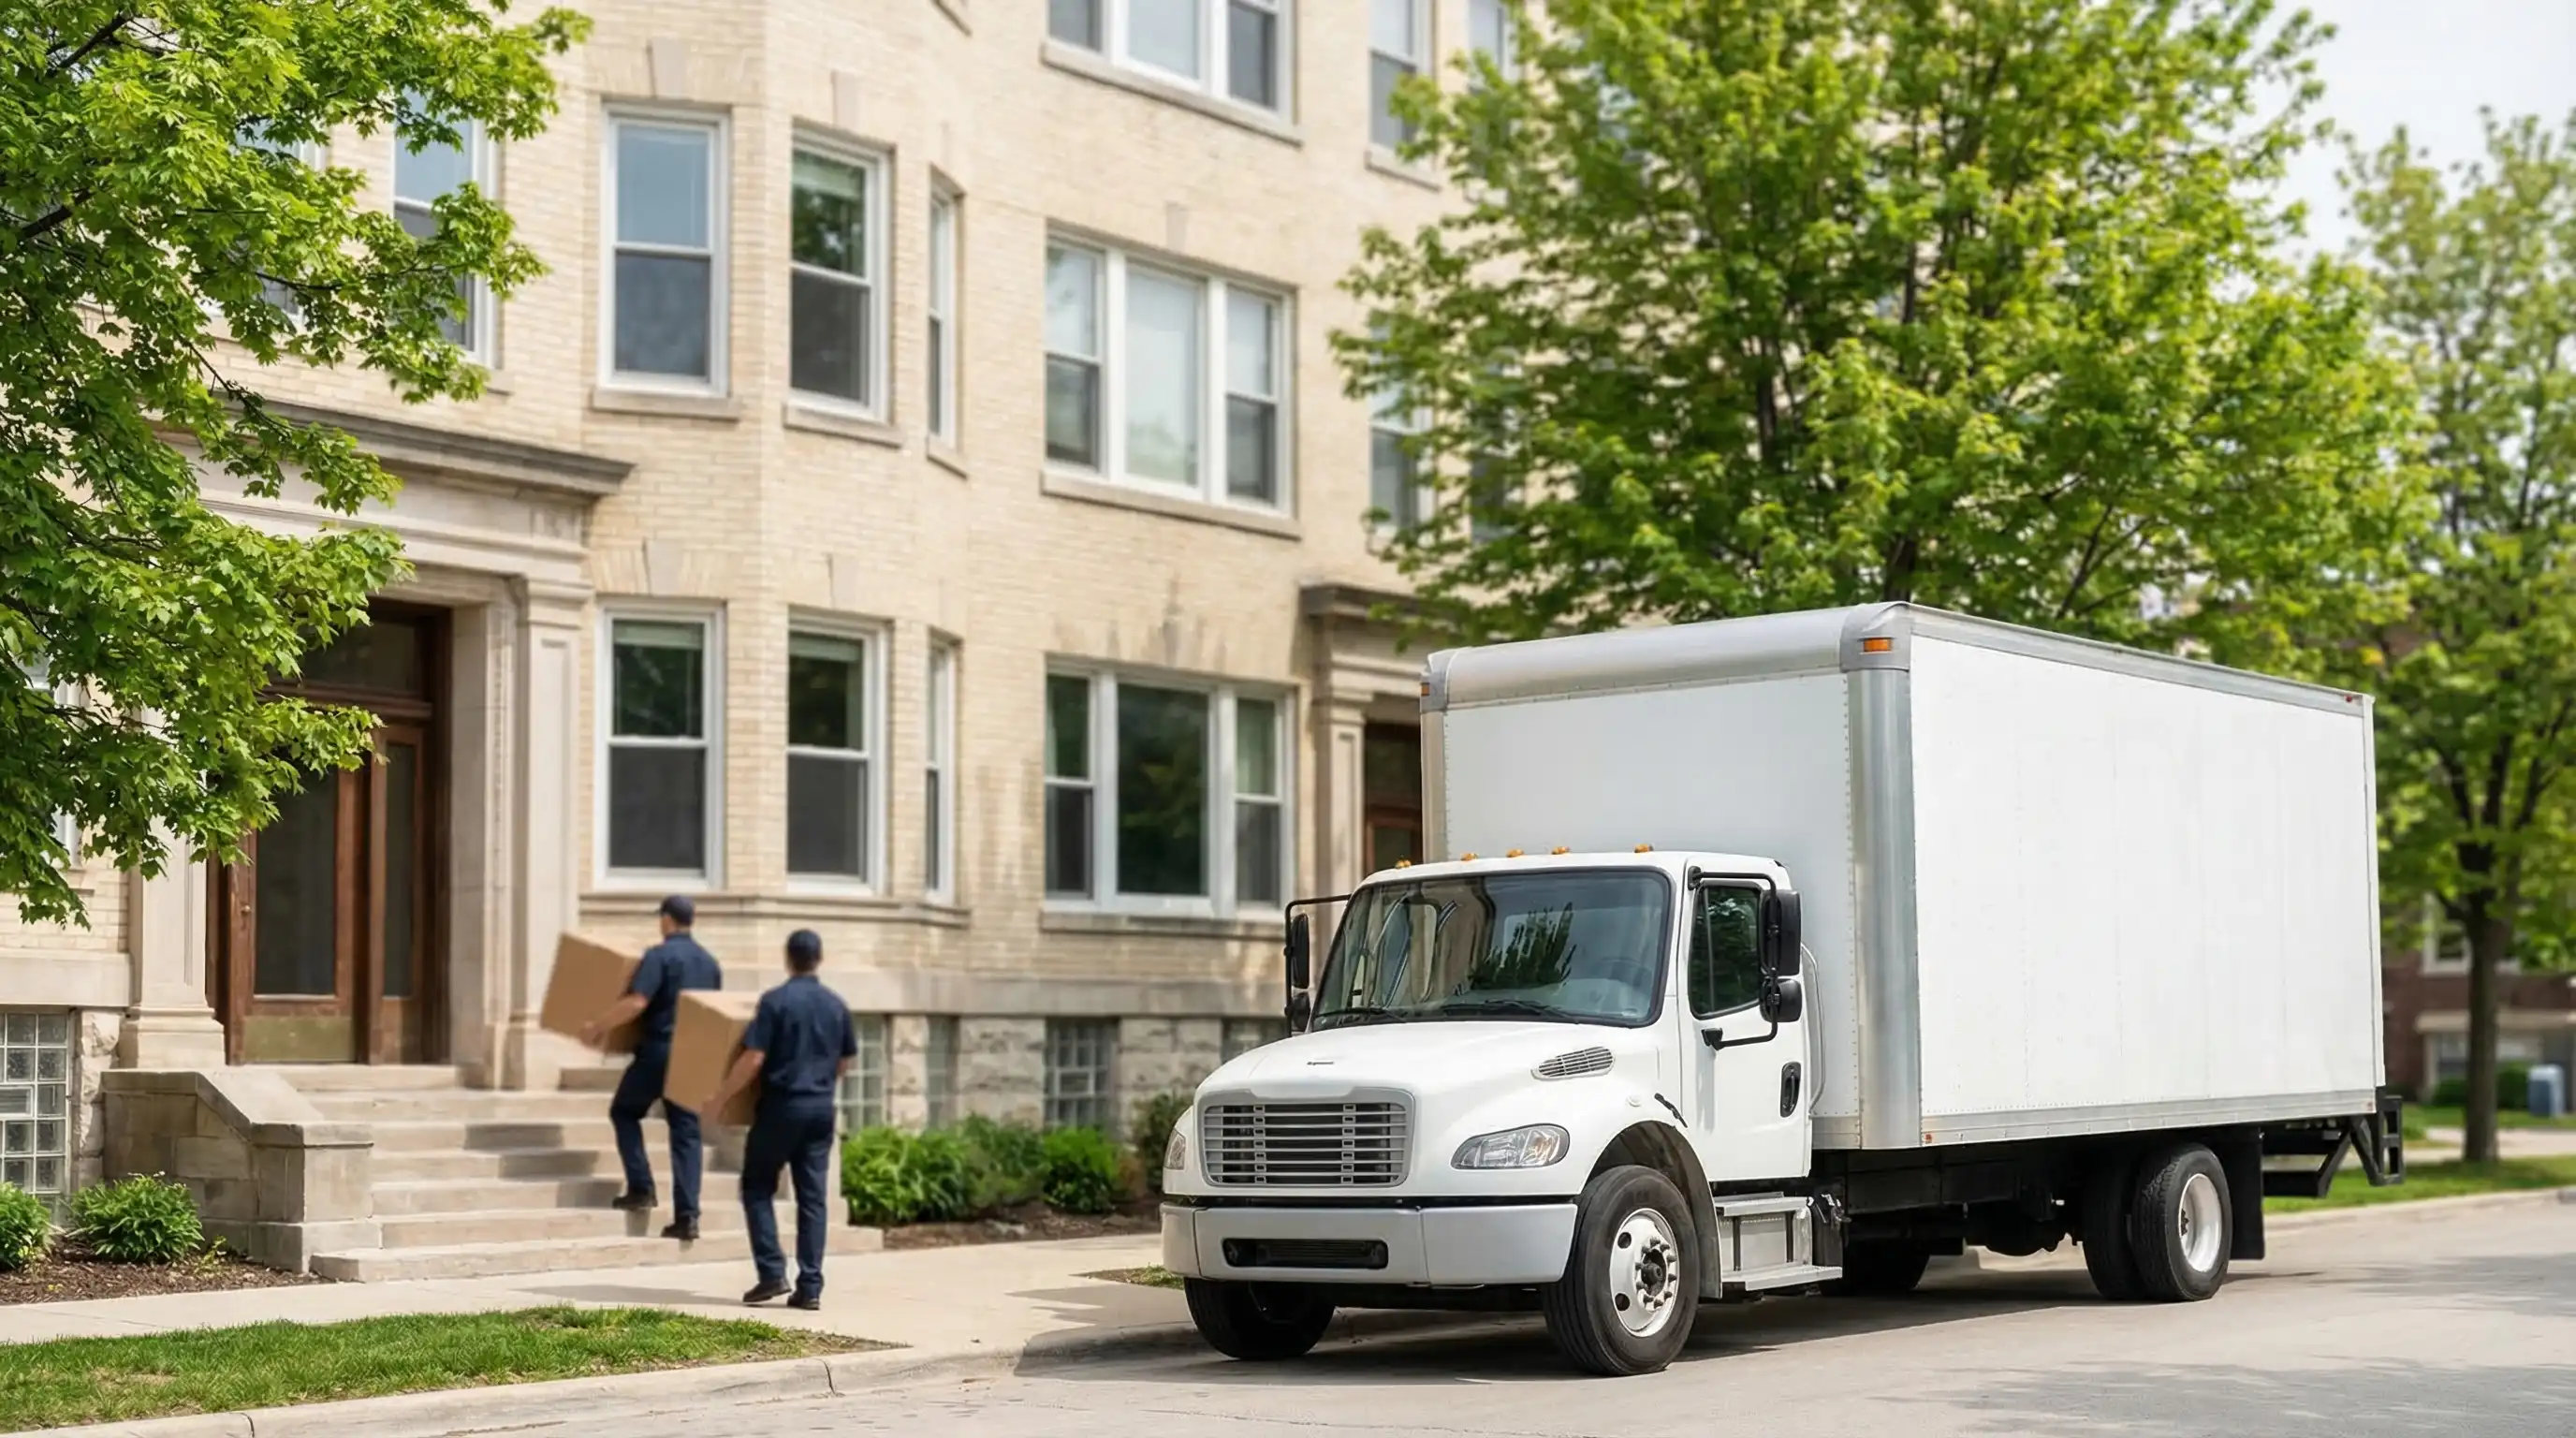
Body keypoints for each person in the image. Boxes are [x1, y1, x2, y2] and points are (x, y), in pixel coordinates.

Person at [709, 928, 853, 1311]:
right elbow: (845, 1061)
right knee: (813, 1198)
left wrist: (721, 1097)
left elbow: (753, 1058)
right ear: (818, 959)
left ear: (788, 959)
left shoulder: (775, 1002)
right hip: (821, 1110)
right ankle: (811, 1288)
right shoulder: (836, 1005)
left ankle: (772, 1273)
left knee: (757, 1186)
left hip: (781, 1107)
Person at [581, 895, 722, 1240]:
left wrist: (597, 1027)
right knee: (686, 1132)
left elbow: (638, 1002)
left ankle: (642, 1186)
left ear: (666, 920)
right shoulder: (710, 964)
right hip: (694, 1054)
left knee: (624, 1111)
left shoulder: (659, 957)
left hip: (659, 1051)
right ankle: (687, 1217)